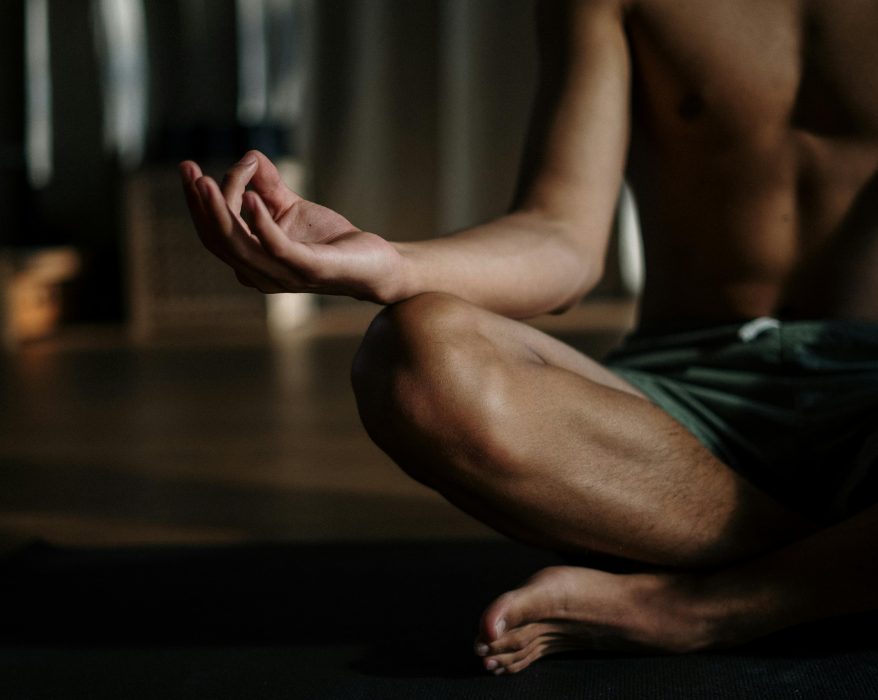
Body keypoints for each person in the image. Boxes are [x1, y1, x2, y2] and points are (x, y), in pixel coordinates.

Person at [179, 0, 878, 675]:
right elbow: (562, 238)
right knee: (415, 357)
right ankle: (828, 575)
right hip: (677, 409)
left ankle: (709, 606)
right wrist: (390, 264)